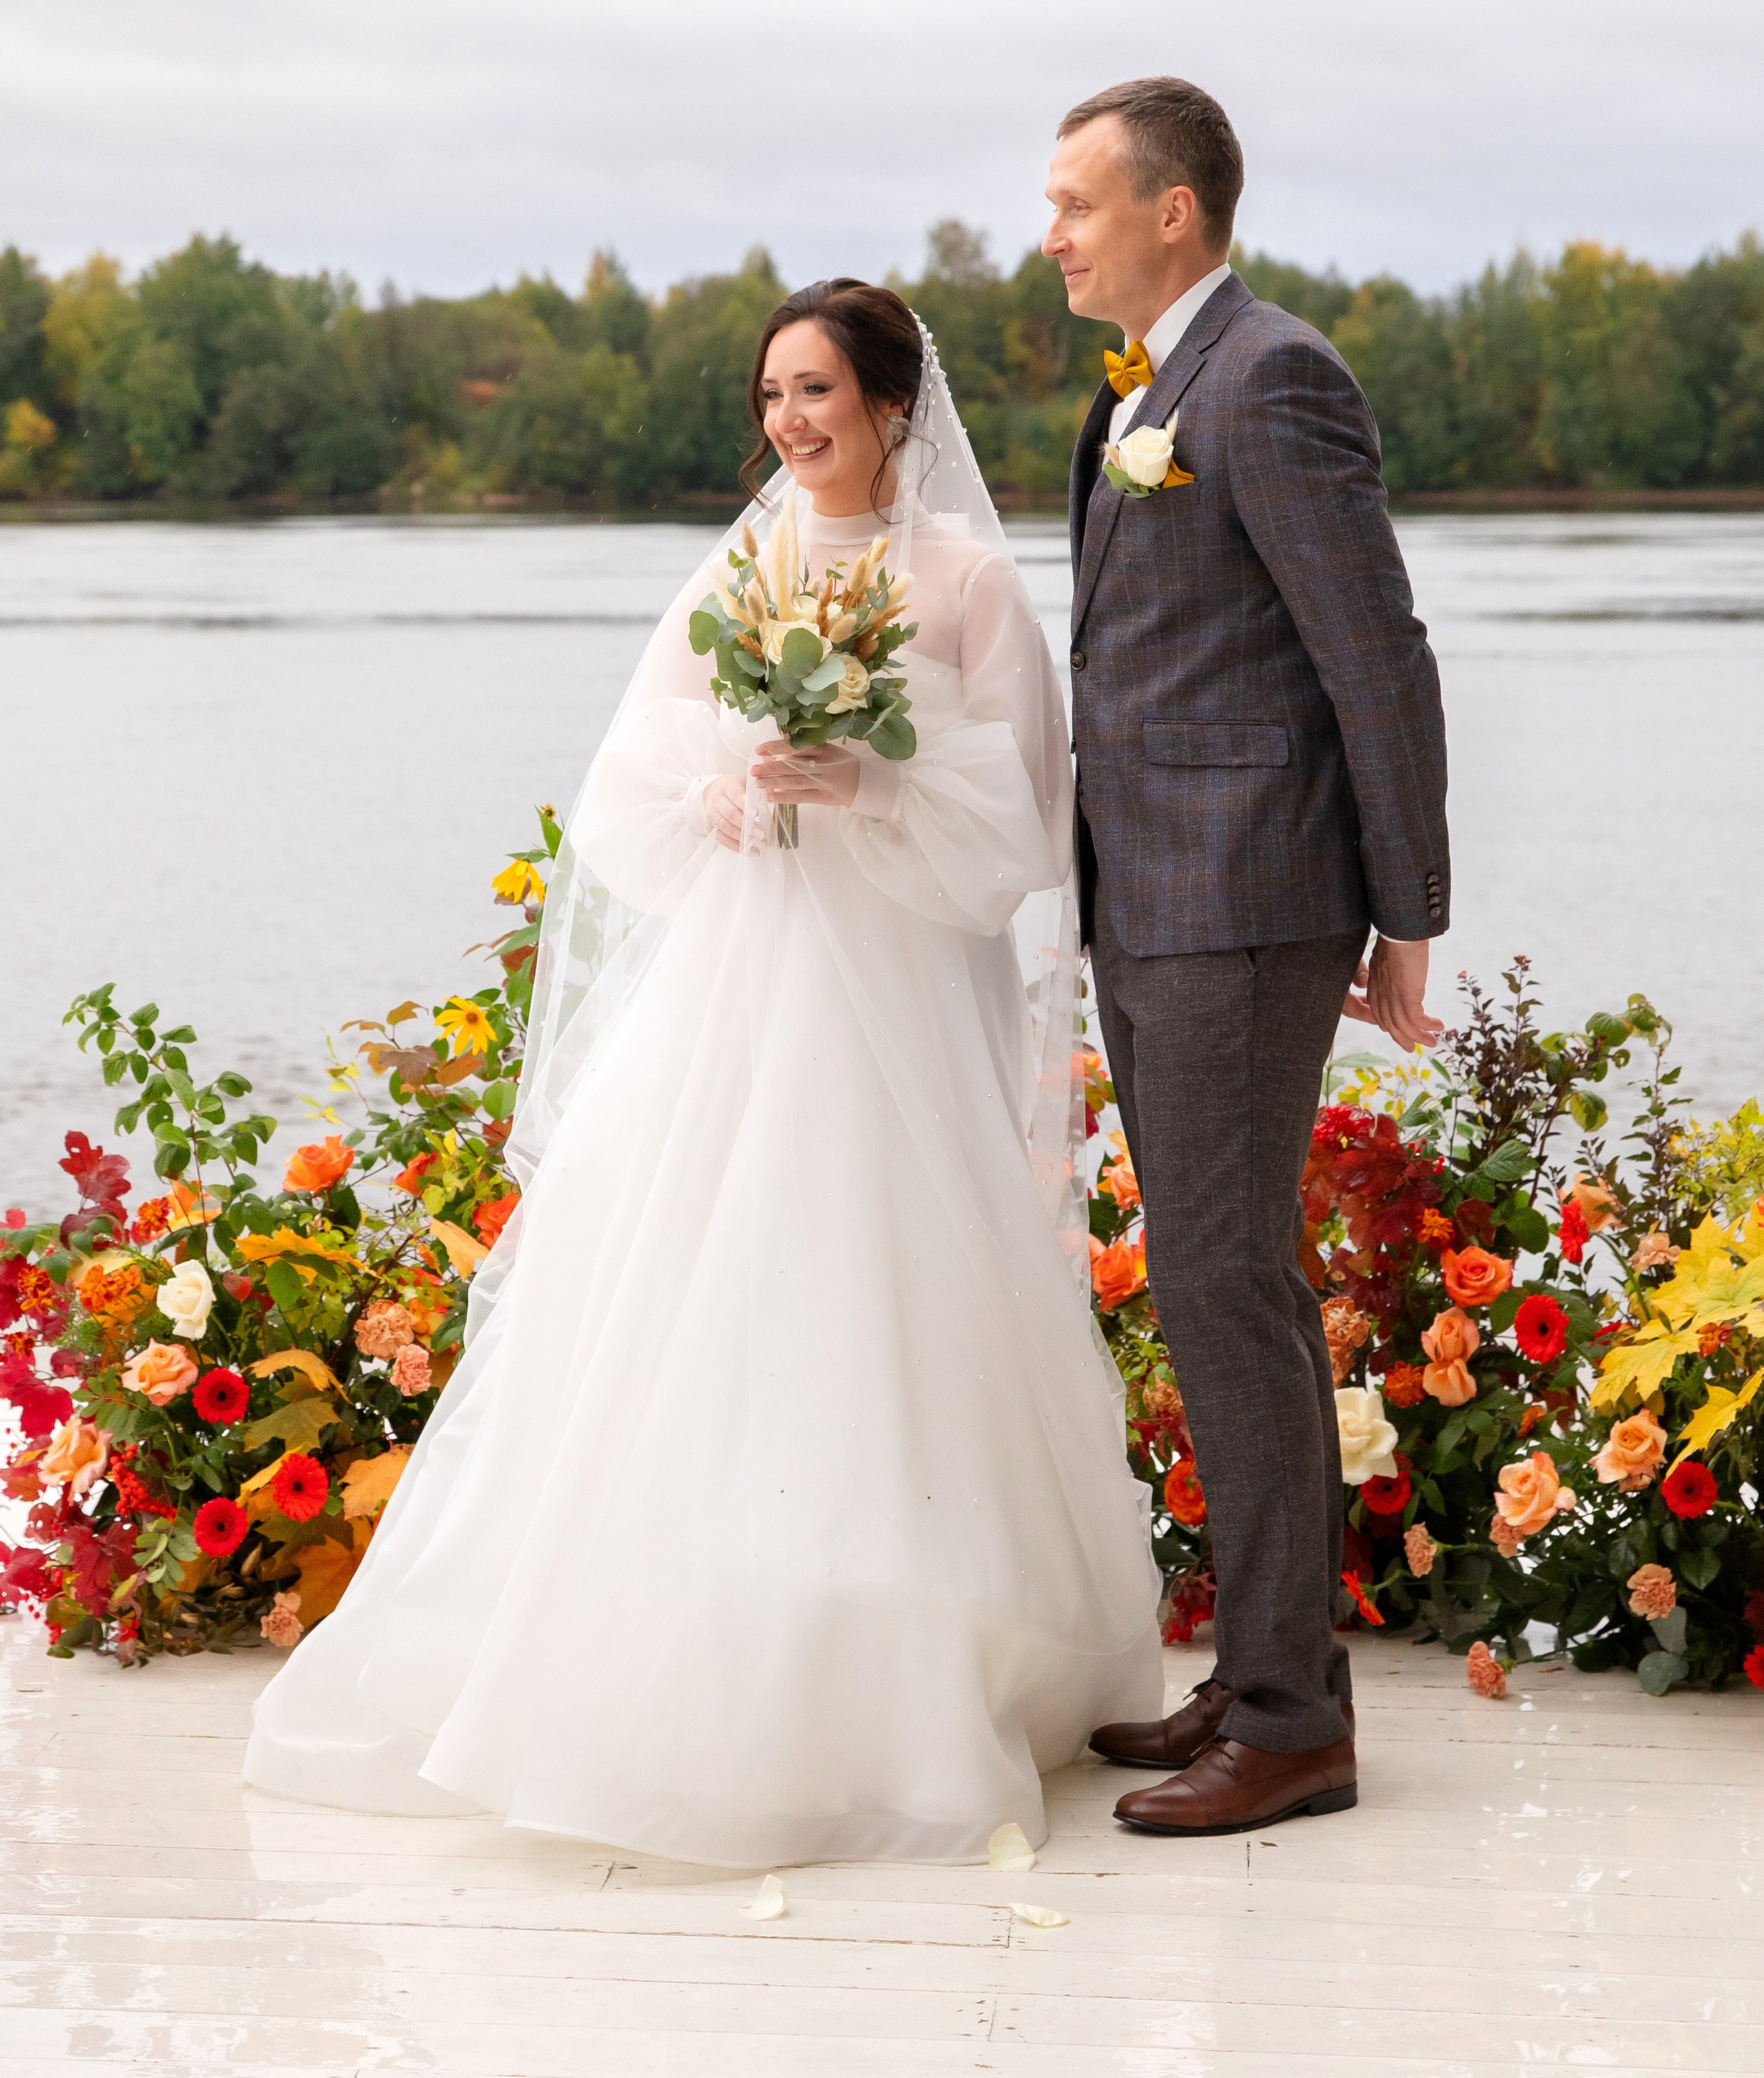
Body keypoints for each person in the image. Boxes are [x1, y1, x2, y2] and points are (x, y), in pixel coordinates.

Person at [244, 279, 1163, 1867]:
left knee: (885, 1287)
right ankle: (675, 1648)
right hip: (745, 978)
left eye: (815, 392)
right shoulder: (743, 564)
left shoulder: (962, 584)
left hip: (894, 984)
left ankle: (911, 1658)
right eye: (770, 397)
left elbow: (1016, 830)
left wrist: (868, 780)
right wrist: (733, 797)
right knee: (703, 1277)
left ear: (890, 404)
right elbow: (628, 781)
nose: (791, 424)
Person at [1047, 76, 1451, 1838]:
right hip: (1147, 898)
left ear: (1173, 215)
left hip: (1242, 902)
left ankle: (1295, 1725)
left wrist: (1408, 914)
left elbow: (1378, 654)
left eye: (1074, 202)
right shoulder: (1150, 391)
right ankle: (1261, 1668)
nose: (1047, 232)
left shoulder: (1270, 375)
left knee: (1222, 1285)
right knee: (1227, 1286)